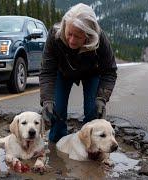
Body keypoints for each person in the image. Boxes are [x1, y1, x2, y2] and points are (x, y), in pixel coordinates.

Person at [39, 3, 117, 143]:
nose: (71, 40)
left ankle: (93, 147)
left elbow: (109, 72)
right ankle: (58, 145)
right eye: (69, 34)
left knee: (94, 109)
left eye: (78, 36)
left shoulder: (100, 39)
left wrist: (102, 98)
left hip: (92, 73)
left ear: (88, 35)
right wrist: (47, 99)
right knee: (56, 109)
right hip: (63, 72)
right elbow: (47, 71)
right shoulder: (54, 36)